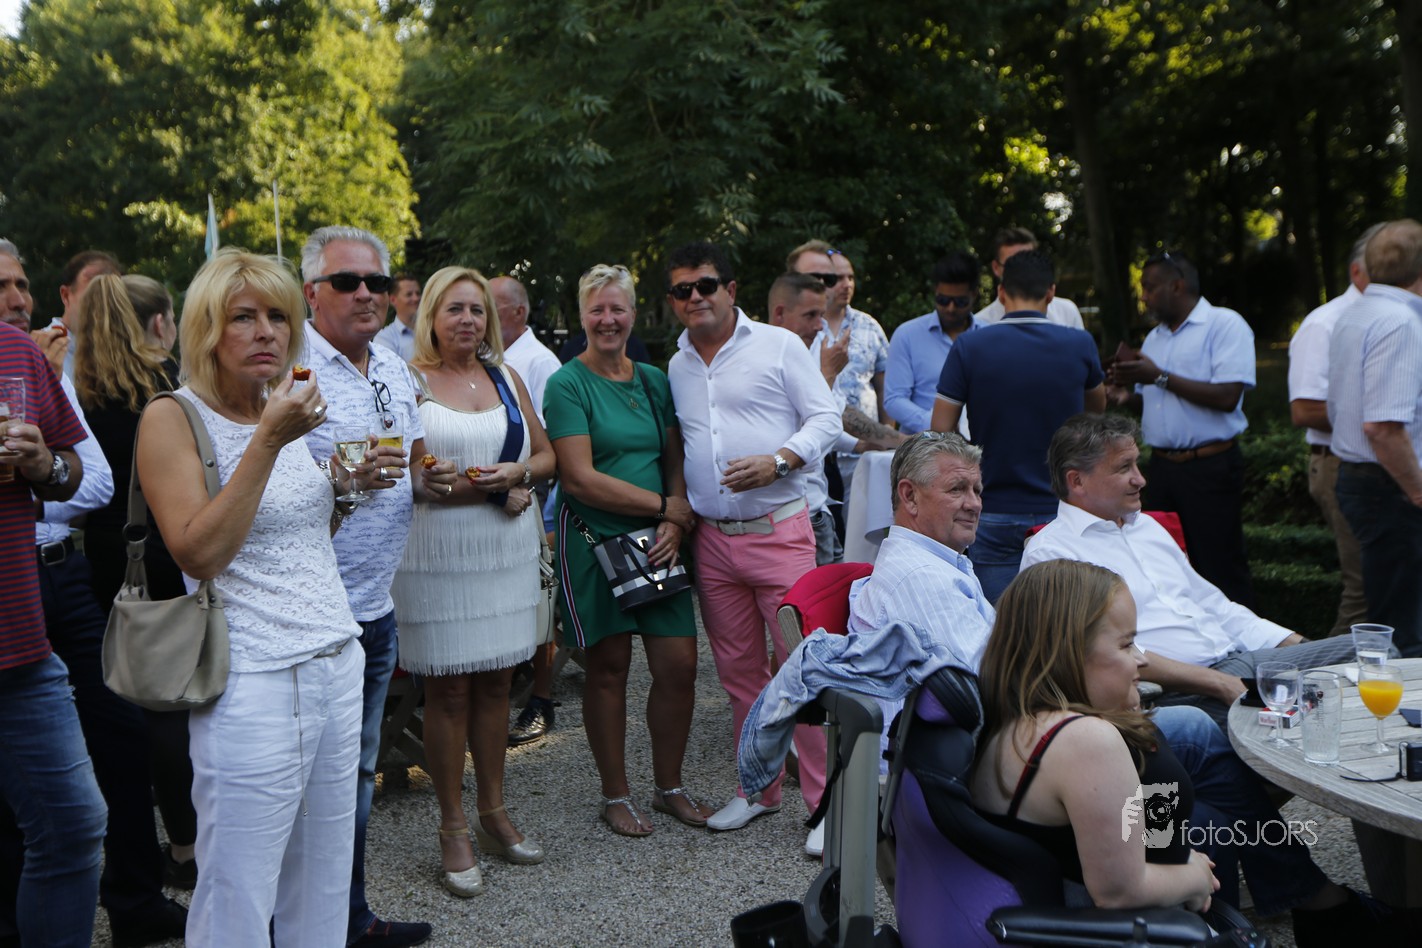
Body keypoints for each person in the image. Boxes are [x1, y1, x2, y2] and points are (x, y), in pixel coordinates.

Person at [973, 559, 1415, 945]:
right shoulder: (1085, 741)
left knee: (1210, 817)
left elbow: (1142, 831)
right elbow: (1119, 891)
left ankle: (1319, 910)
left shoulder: (1023, 721)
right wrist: (1193, 874)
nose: (1142, 660)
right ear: (1069, 654)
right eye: (1126, 645)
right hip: (1117, 929)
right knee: (1205, 821)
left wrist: (1179, 852)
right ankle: (1329, 913)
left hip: (1094, 893)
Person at [136, 248, 364, 946]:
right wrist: (267, 443)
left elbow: (294, 542)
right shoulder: (173, 417)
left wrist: (343, 491)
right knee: (237, 891)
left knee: (323, 882)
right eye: (243, 317)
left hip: (336, 659)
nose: (266, 331)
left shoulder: (275, 406)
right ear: (206, 329)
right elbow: (199, 553)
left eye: (278, 316)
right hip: (254, 678)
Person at [665, 241, 840, 853]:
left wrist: (780, 460)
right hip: (714, 542)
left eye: (705, 285)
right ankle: (758, 789)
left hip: (779, 531)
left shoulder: (778, 344)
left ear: (731, 290)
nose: (695, 298)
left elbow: (826, 419)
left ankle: (825, 805)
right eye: (682, 290)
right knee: (739, 676)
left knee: (801, 670)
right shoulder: (678, 364)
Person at [390, 266, 556, 897]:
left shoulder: (505, 376)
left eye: (477, 310)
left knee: (498, 683)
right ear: (430, 316)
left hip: (503, 551)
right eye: (454, 309)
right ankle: (452, 825)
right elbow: (410, 475)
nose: (467, 320)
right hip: (438, 553)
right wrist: (488, 490)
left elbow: (546, 456)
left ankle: (494, 811)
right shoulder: (405, 381)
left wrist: (519, 474)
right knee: (449, 690)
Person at [1022, 413, 1354, 727]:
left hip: (1240, 664)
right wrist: (1220, 683)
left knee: (1361, 654)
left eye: (1137, 463)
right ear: (1077, 481)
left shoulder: (1146, 527)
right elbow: (1097, 651)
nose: (1141, 479)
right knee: (1306, 719)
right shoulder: (1053, 553)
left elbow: (1218, 608)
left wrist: (1302, 646)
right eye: (1124, 468)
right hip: (1173, 693)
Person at [297, 226, 433, 948]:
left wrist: (433, 478)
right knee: (302, 787)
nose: (365, 294)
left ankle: (348, 920)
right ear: (311, 292)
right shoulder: (290, 371)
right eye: (346, 282)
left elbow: (408, 466)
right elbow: (260, 491)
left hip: (376, 610)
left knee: (355, 778)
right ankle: (301, 926)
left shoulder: (392, 365)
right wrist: (341, 483)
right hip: (310, 620)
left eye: (376, 283)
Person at [542, 264, 710, 836]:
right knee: (609, 667)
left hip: (657, 541)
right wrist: (665, 508)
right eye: (597, 309)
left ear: (634, 314)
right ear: (582, 315)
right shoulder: (567, 384)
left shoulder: (654, 380)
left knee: (679, 665)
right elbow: (580, 478)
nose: (608, 319)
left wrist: (675, 520)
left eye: (617, 308)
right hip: (595, 539)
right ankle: (615, 793)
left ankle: (670, 787)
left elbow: (673, 459)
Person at [69, 274, 198, 896]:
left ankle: (148, 843)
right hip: (163, 548)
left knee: (126, 695)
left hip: (103, 556)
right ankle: (187, 843)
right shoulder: (165, 386)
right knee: (171, 699)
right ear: (159, 322)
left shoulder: (76, 391)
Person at [0, 269, 105, 948]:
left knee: (74, 826)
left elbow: (75, 469)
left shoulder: (17, 351)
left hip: (21, 647)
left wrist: (44, 467)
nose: (16, 296)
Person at [930, 249, 1105, 603]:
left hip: (992, 506)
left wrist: (974, 460)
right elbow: (1096, 414)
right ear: (1051, 293)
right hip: (1063, 507)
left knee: (997, 623)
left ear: (1001, 293)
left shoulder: (969, 346)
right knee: (1064, 619)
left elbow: (940, 430)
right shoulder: (1080, 344)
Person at [1107, 251, 1257, 607]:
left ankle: (1242, 640)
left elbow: (1227, 396)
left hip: (1209, 468)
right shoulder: (1155, 338)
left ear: (1177, 286)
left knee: (1219, 567)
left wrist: (1158, 376)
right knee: (1164, 568)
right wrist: (1127, 397)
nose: (1144, 297)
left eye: (1150, 287)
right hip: (1161, 469)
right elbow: (1158, 402)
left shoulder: (1225, 324)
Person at [1329, 218, 1422, 658]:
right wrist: (1418, 492)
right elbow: (1383, 429)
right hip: (1390, 487)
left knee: (1392, 617)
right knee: (1407, 630)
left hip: (1366, 480)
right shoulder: (1399, 321)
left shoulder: (1356, 312)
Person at [767, 272, 904, 566]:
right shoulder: (758, 356)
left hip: (818, 506)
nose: (820, 326)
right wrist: (827, 374)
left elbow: (837, 415)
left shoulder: (817, 345)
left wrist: (865, 444)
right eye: (811, 315)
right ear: (779, 313)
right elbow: (808, 420)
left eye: (821, 315)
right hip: (787, 513)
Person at [1288, 224, 1383, 636]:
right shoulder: (1324, 323)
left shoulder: (1401, 319)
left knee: (1392, 586)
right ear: (1358, 271)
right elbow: (1305, 410)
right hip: (1341, 464)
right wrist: (1387, 421)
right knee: (1364, 592)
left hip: (1385, 463)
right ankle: (1328, 673)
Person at [490, 274, 565, 747]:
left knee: (540, 596)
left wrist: (532, 491)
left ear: (519, 312)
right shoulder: (487, 362)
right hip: (489, 496)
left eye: (490, 306)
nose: (480, 315)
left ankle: (541, 697)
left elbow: (556, 441)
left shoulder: (538, 362)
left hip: (534, 495)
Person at [788, 240, 891, 495]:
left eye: (849, 277)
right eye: (836, 278)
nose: (846, 284)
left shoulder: (868, 325)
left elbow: (883, 387)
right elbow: (815, 408)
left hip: (864, 452)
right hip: (813, 460)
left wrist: (887, 436)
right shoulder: (797, 335)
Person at [883, 251, 979, 435]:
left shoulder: (989, 335)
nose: (950, 308)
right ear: (935, 291)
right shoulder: (907, 335)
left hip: (979, 443)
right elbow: (894, 399)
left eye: (960, 302)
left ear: (974, 294)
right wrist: (937, 424)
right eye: (943, 300)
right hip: (924, 444)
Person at [973, 227, 1085, 330]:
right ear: (996, 268)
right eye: (1011, 265)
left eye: (1028, 261)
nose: (1022, 271)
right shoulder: (980, 324)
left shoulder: (1066, 312)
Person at [52, 249, 122, 379]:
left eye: (111, 298)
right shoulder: (41, 350)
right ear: (66, 295)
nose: (103, 307)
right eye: (93, 296)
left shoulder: (121, 355)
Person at [373, 272, 421, 362]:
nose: (416, 298)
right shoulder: (385, 338)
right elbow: (390, 369)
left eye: (418, 293)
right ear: (393, 300)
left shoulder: (432, 329)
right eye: (409, 294)